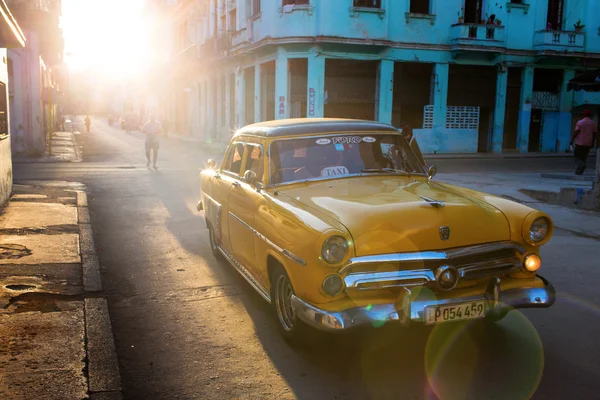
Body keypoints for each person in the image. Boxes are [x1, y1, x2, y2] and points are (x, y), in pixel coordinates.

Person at [571, 109, 597, 175]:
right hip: (588, 144)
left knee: (577, 157)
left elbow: (576, 132)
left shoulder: (580, 122)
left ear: (583, 115)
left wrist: (571, 140)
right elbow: (594, 134)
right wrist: (593, 142)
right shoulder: (593, 123)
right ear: (590, 115)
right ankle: (579, 171)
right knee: (583, 157)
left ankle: (582, 166)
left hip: (580, 143)